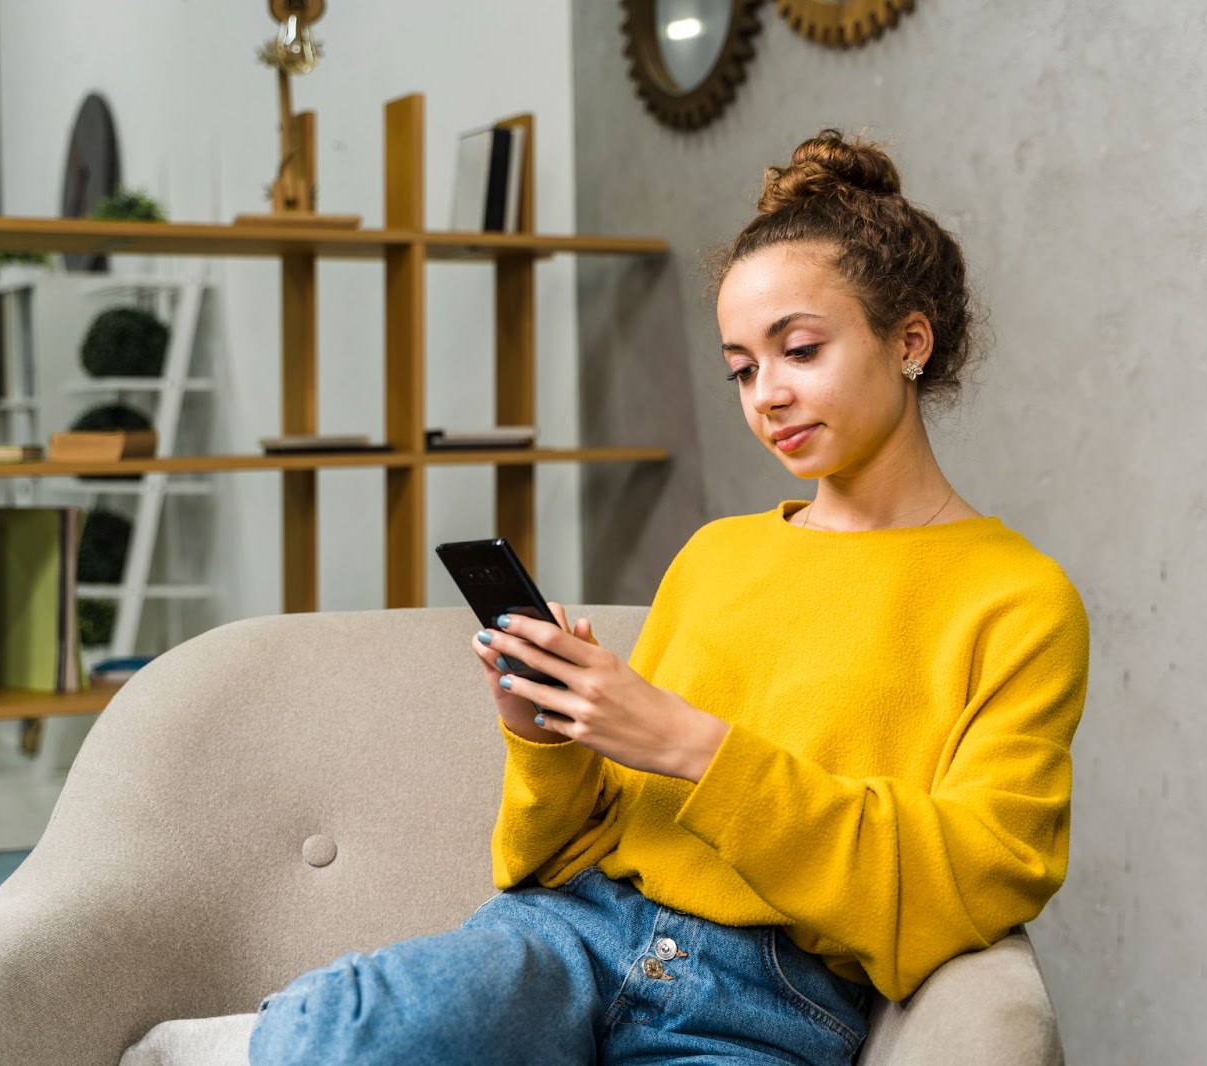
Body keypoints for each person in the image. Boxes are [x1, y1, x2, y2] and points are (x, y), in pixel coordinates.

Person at [248, 128, 1091, 1066]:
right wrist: (544, 739)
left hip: (771, 999)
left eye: (798, 350)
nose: (766, 394)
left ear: (910, 342)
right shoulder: (716, 555)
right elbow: (573, 845)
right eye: (741, 367)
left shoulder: (1018, 599)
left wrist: (693, 746)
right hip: (578, 935)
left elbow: (970, 882)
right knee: (330, 1035)